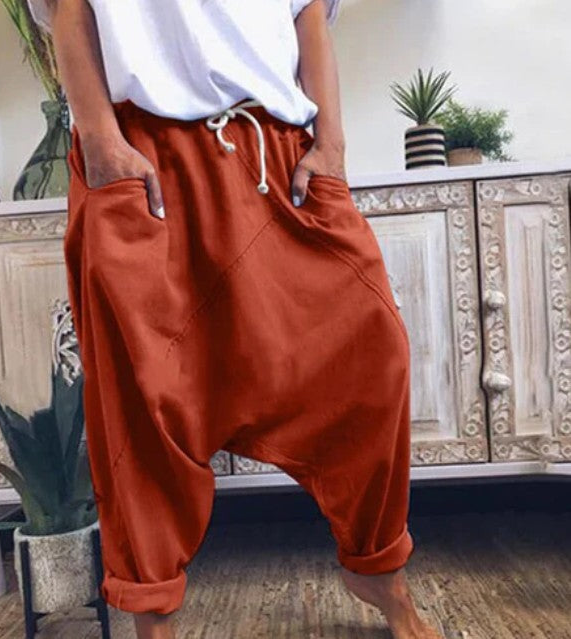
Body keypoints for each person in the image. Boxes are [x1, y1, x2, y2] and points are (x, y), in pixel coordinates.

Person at [28, 1, 443, 638]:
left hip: (278, 154)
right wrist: (102, 141)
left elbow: (307, 13)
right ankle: (152, 620)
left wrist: (331, 144)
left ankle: (379, 568)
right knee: (143, 407)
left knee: (372, 354)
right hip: (144, 160)